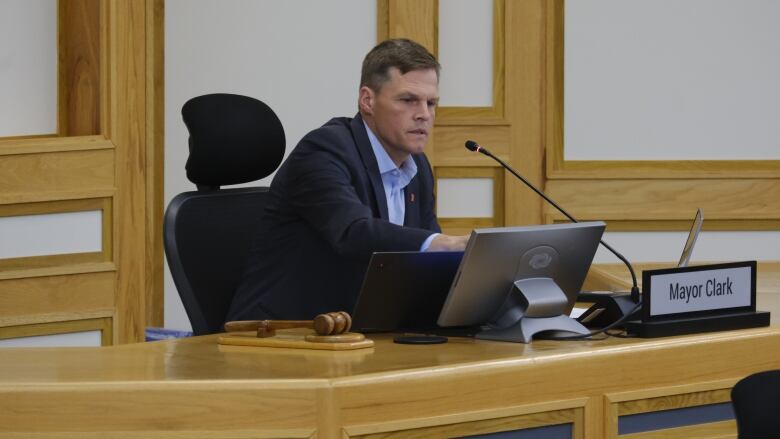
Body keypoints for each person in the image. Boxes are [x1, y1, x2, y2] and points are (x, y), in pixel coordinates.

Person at [227, 39, 468, 321]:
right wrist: (443, 245)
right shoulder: (323, 151)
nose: (424, 115)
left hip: (360, 330)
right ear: (368, 100)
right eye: (408, 100)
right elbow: (353, 232)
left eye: (431, 103)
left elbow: (426, 261)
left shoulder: (418, 167)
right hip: (281, 334)